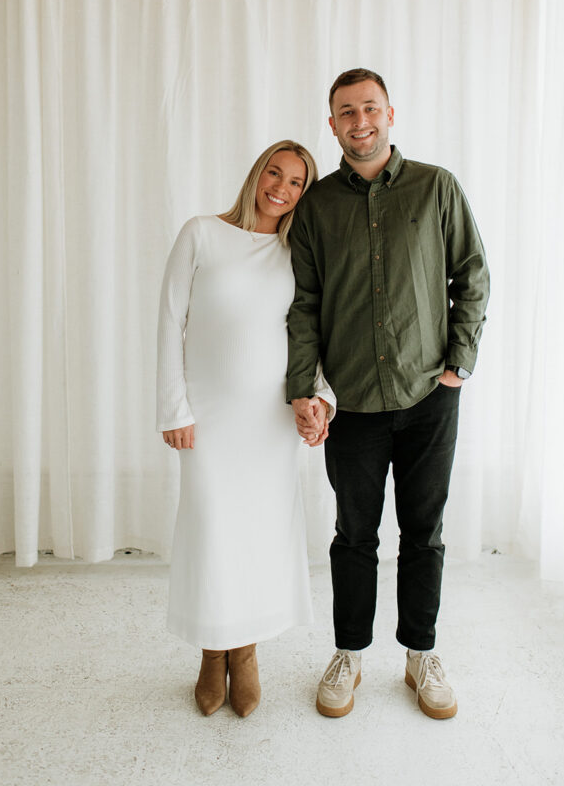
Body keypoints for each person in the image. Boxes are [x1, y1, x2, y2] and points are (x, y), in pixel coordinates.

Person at [287, 69, 489, 720]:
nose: (360, 120)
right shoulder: (316, 206)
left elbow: (472, 275)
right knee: (353, 535)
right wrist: (303, 389)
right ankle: (349, 653)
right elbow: (304, 304)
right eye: (346, 112)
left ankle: (421, 653)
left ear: (391, 114)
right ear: (333, 123)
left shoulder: (437, 188)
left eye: (370, 108)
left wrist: (458, 364)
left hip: (430, 395)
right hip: (352, 405)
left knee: (423, 533)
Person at [156, 140, 334, 718]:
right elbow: (169, 321)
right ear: (257, 173)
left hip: (269, 422)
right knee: (213, 532)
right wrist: (173, 409)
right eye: (274, 173)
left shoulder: (295, 251)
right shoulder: (201, 233)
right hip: (208, 419)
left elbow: (313, 333)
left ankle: (247, 652)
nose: (281, 188)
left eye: (296, 182)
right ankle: (213, 653)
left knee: (257, 534)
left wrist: (320, 399)